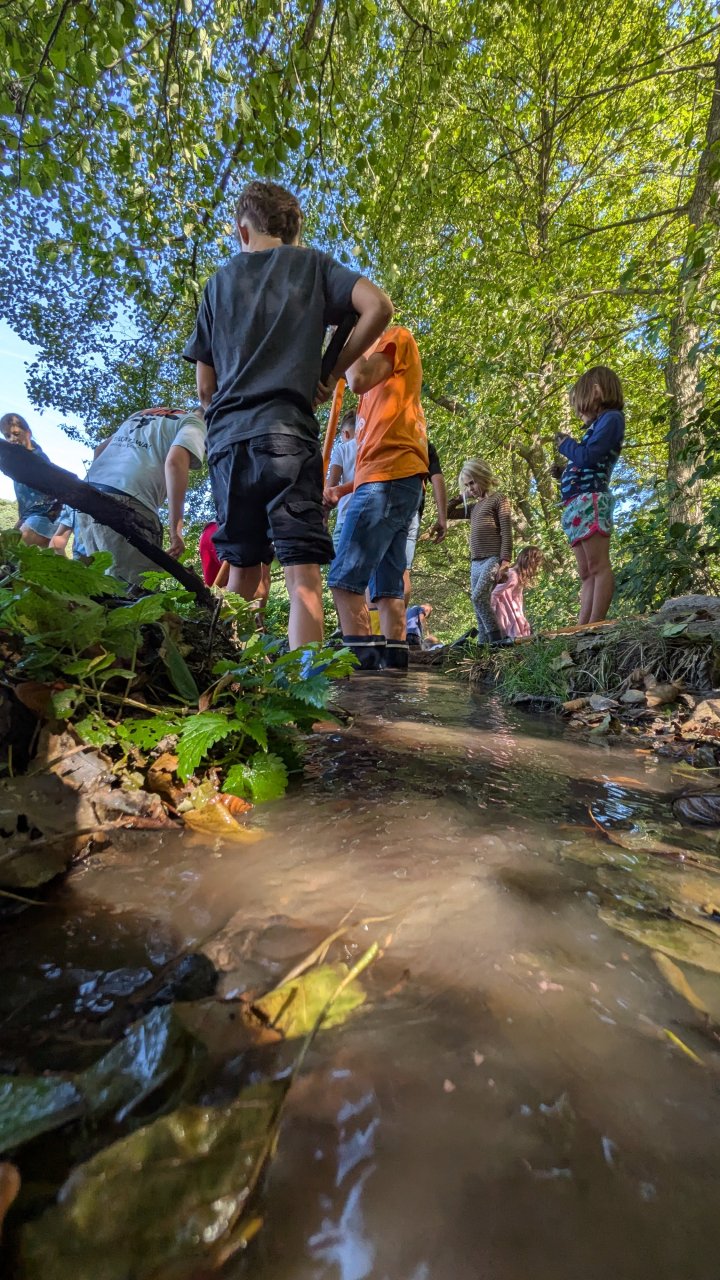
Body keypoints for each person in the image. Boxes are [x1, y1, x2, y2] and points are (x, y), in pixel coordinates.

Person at [183, 179, 393, 654]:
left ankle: (221, 691)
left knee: (242, 571)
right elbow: (378, 306)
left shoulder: (218, 283)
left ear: (243, 231)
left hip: (229, 444)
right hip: (287, 437)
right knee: (303, 577)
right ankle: (310, 709)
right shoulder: (313, 265)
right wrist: (332, 371)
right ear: (293, 232)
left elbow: (204, 388)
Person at [325, 324, 429, 671]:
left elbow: (357, 378)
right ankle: (394, 675)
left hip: (389, 478)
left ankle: (363, 680)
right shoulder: (375, 397)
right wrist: (341, 489)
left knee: (344, 579)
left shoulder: (394, 338)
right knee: (387, 588)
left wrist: (347, 342)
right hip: (394, 482)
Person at [74, 406, 206, 586]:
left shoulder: (143, 414)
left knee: (99, 587)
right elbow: (175, 463)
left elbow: (99, 450)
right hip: (129, 503)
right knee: (136, 596)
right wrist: (176, 531)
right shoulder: (194, 423)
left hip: (88, 496)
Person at [554, 366, 625, 624]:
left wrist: (567, 445)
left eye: (580, 405)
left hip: (591, 500)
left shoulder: (612, 419)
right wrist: (564, 472)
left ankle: (595, 623)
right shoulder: (596, 426)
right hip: (576, 504)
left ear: (596, 392)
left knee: (598, 565)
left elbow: (590, 456)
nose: (578, 412)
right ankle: (582, 625)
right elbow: (586, 461)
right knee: (585, 571)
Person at [447, 458, 512, 644]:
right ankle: (483, 643)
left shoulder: (498, 499)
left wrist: (505, 562)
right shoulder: (474, 507)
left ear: (483, 477)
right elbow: (447, 512)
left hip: (492, 558)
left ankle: (496, 638)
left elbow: (507, 531)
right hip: (475, 562)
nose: (471, 488)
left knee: (478, 598)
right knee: (477, 607)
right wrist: (461, 496)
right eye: (467, 485)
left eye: (473, 483)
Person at [0, 413, 60, 546]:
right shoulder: (16, 462)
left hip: (47, 515)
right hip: (31, 516)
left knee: (11, 551)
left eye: (16, 434)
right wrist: (19, 522)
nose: (11, 439)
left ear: (28, 433)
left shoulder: (36, 457)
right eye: (7, 436)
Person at [404, 438, 447, 604]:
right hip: (411, 510)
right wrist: (442, 518)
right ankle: (398, 626)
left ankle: (375, 626)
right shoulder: (423, 443)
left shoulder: (384, 432)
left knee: (374, 569)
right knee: (403, 570)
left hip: (383, 504)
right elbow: (437, 478)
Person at [490, 546, 542, 640]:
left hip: (514, 614)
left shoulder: (518, 576)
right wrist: (491, 617)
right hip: (506, 615)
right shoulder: (512, 575)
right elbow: (494, 595)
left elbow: (517, 600)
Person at [326, 410, 357, 549]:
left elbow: (331, 486)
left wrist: (324, 517)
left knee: (339, 567)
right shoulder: (370, 446)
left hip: (346, 517)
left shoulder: (342, 449)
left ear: (345, 433)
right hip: (372, 516)